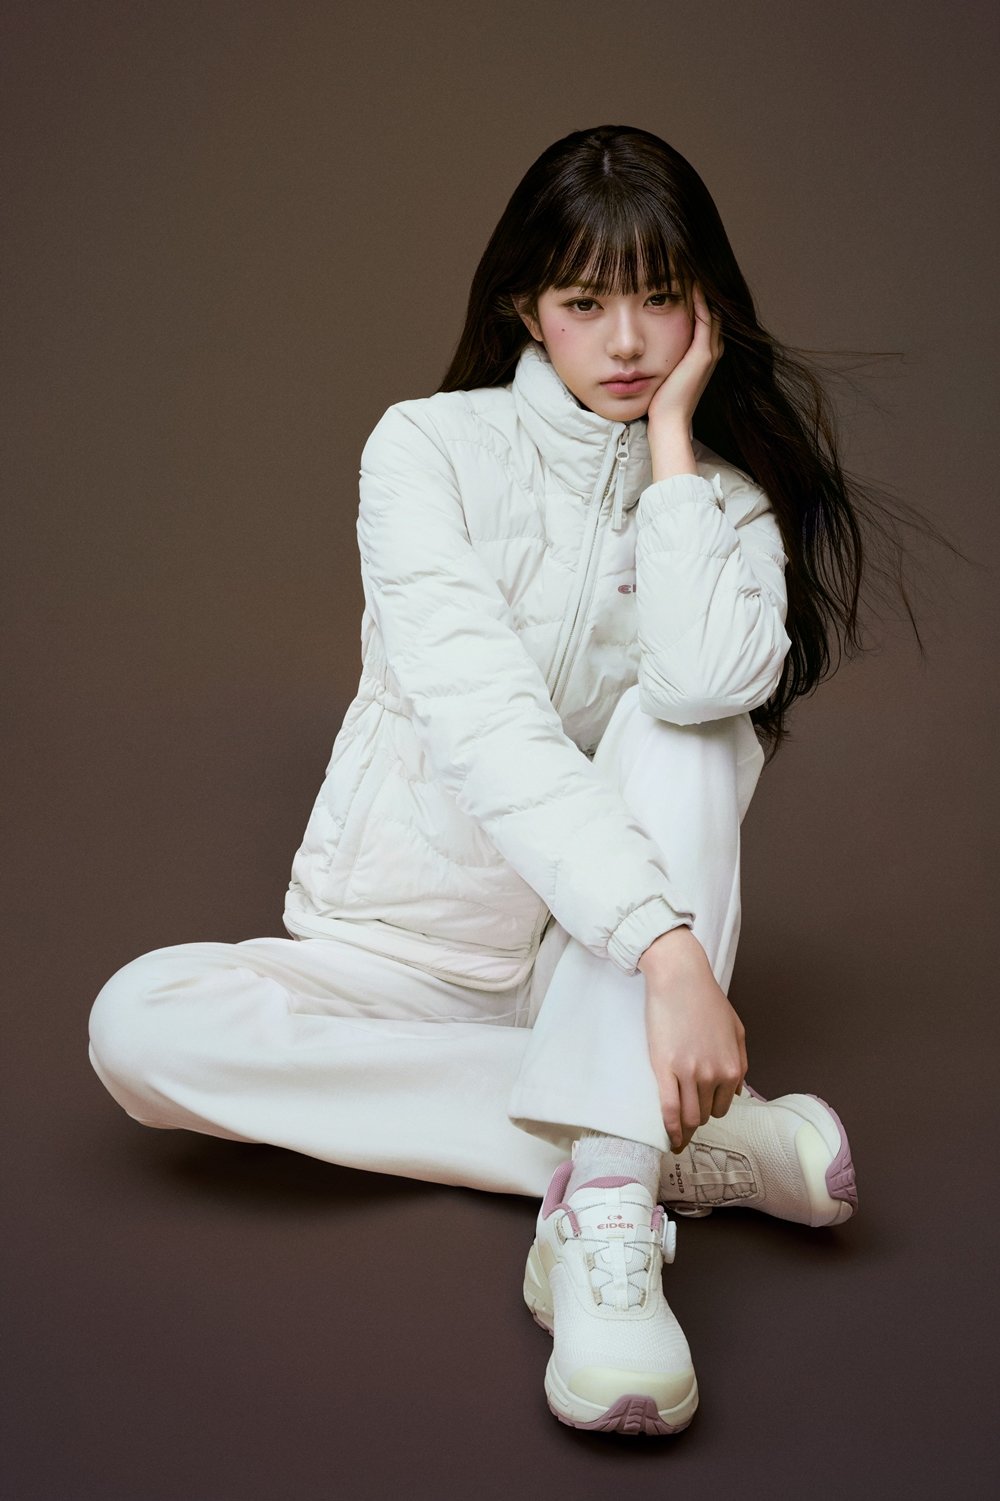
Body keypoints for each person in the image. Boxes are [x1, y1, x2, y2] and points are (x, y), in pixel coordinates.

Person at [89, 123, 929, 1438]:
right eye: (586, 302)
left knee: (691, 721)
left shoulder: (724, 506)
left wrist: (673, 453)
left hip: (578, 974)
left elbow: (707, 683)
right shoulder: (425, 451)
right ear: (526, 308)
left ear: (706, 308)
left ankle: (606, 1222)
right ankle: (654, 1141)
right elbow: (487, 726)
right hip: (403, 952)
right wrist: (667, 952)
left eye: (660, 298)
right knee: (140, 1024)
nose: (627, 341)